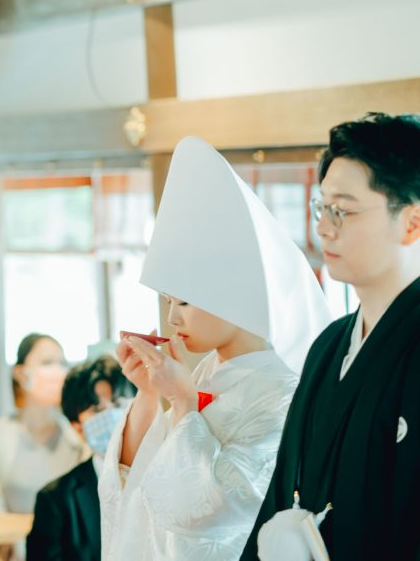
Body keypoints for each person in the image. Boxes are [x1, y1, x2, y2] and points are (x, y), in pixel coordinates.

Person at [98, 136, 333, 561]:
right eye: (169, 302)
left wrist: (184, 402)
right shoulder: (202, 372)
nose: (172, 319)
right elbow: (135, 484)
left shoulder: (284, 393)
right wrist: (149, 393)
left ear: (234, 295)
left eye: (183, 302)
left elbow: (216, 510)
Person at [243, 113, 420, 561]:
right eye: (321, 208)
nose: (324, 227)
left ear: (412, 222)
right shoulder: (329, 345)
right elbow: (286, 489)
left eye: (343, 209)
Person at [0, 333, 87, 521]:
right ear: (21, 374)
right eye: (47, 363)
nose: (58, 371)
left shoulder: (78, 438)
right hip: (14, 547)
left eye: (62, 364)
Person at [27, 356, 133, 561]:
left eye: (119, 403)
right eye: (96, 410)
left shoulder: (165, 474)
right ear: (78, 428)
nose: (112, 415)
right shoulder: (55, 500)